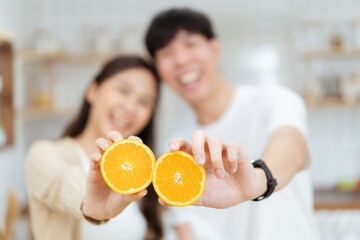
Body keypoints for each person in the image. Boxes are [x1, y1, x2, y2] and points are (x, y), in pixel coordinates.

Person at [144, 8, 320, 240]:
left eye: (190, 44)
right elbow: (186, 230)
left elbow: (293, 149)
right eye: (166, 52)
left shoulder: (274, 100)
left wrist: (257, 180)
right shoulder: (176, 147)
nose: (181, 60)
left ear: (215, 48)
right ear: (159, 70)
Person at [25, 56, 165, 240]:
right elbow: (62, 182)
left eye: (144, 102)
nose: (131, 107)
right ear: (93, 91)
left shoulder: (146, 173)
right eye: (123, 91)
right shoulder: (45, 154)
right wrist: (87, 202)